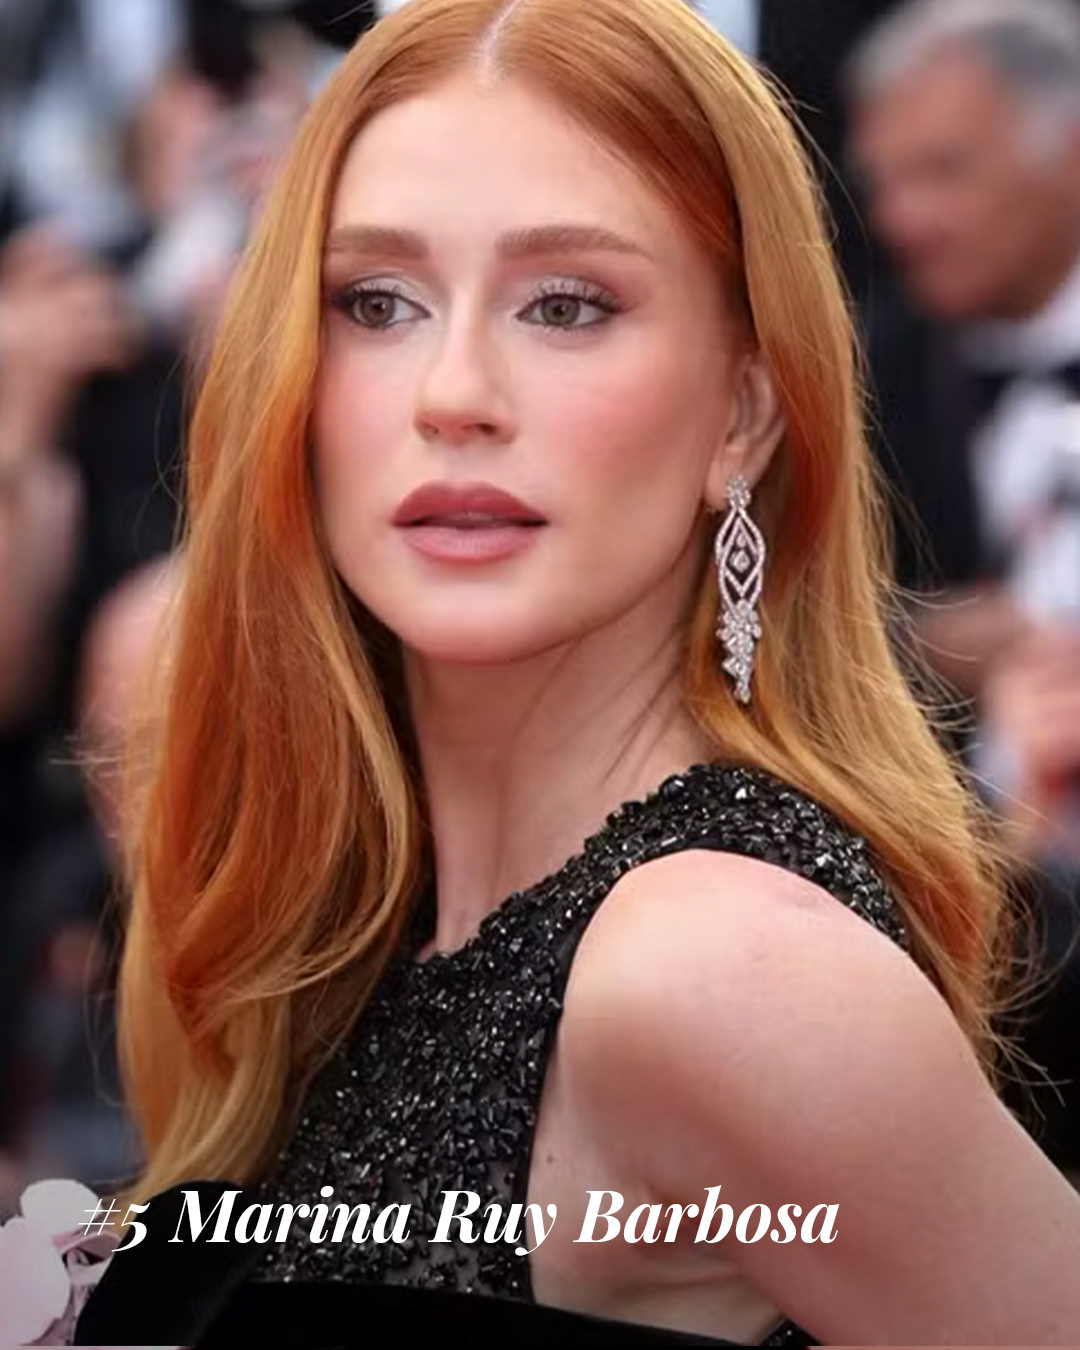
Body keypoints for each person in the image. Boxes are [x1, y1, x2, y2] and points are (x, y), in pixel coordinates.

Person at [75, 0, 1080, 1345]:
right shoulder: (352, 927)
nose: (453, 392)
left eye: (567, 304)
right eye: (376, 302)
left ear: (743, 413)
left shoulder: (721, 970)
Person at [847, 0, 1080, 1170]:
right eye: (885, 182)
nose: (904, 217)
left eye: (943, 171)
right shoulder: (861, 370)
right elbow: (785, 617)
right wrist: (936, 642)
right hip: (983, 962)